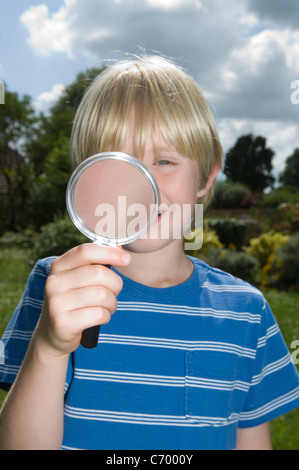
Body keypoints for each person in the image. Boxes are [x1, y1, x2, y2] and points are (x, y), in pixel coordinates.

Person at [0, 55, 298, 450]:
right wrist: (49, 347)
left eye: (164, 160)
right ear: (86, 177)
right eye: (118, 163)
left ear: (207, 177)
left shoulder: (247, 310)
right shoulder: (56, 287)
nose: (140, 185)